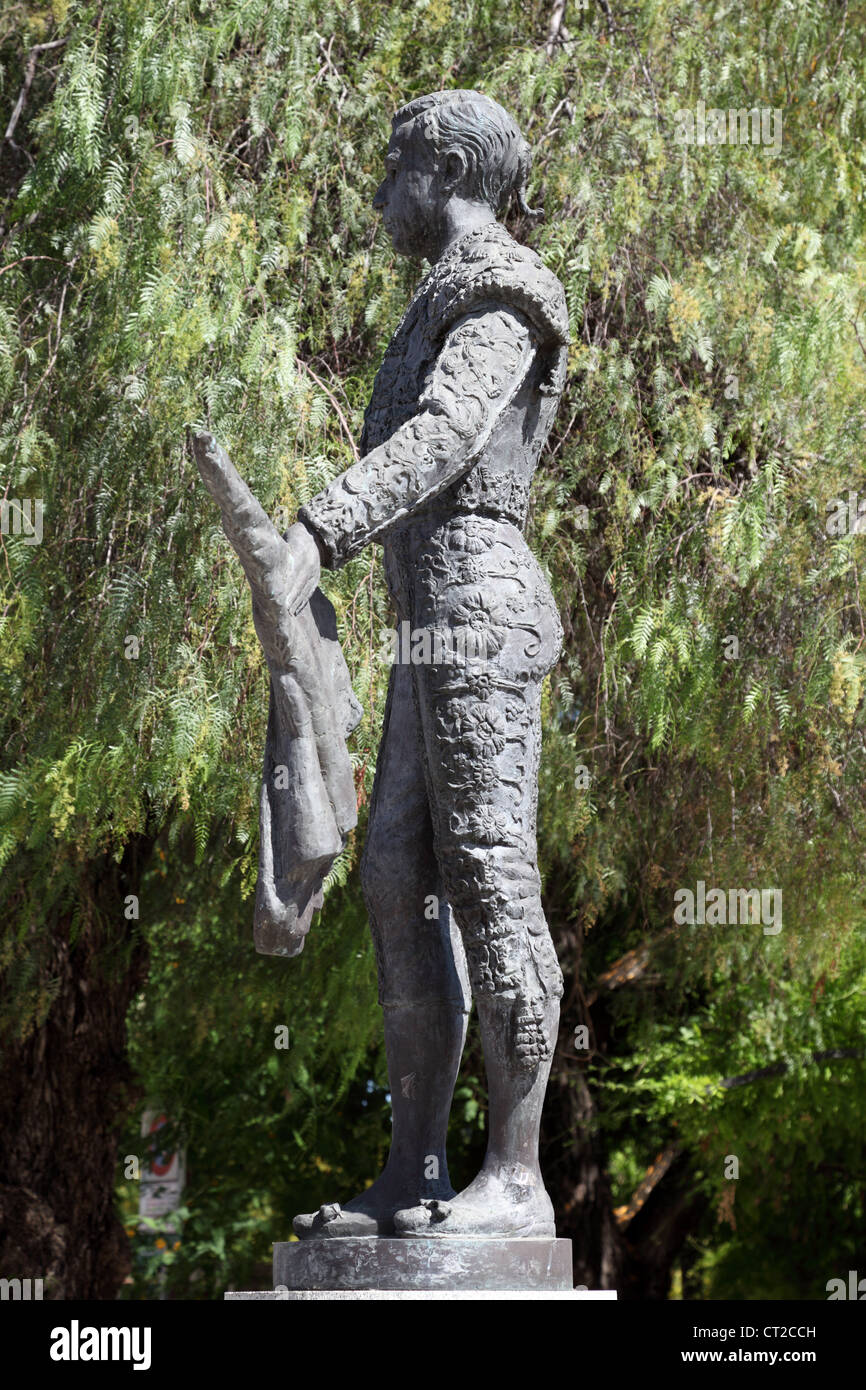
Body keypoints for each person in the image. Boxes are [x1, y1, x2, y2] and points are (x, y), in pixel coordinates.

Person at [281, 89, 569, 1239]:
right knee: (397, 873)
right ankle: (416, 1166)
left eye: (394, 165)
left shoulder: (502, 286)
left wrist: (315, 529)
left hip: (479, 604)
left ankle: (516, 1174)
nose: (381, 188)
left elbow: (447, 438)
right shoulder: (434, 300)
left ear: (443, 168)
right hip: (423, 610)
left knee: (490, 872)